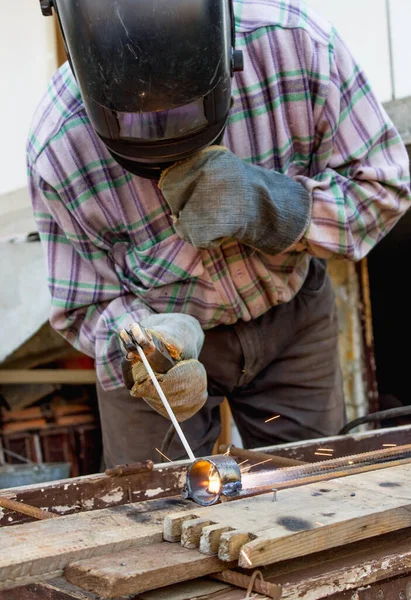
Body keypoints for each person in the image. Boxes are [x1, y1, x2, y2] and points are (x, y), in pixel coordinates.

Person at [28, 0, 411, 468]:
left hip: (291, 318)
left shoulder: (295, 44)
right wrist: (143, 345)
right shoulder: (59, 143)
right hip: (164, 353)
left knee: (315, 486)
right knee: (157, 508)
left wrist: (270, 205)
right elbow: (83, 303)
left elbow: (384, 188)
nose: (164, 125)